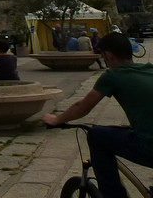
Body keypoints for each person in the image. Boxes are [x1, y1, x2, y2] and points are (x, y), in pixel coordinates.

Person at [43, 31, 153, 198]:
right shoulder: (149, 69)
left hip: (149, 148)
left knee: (97, 135)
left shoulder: (113, 75)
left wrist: (57, 119)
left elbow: (83, 107)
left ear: (108, 55)